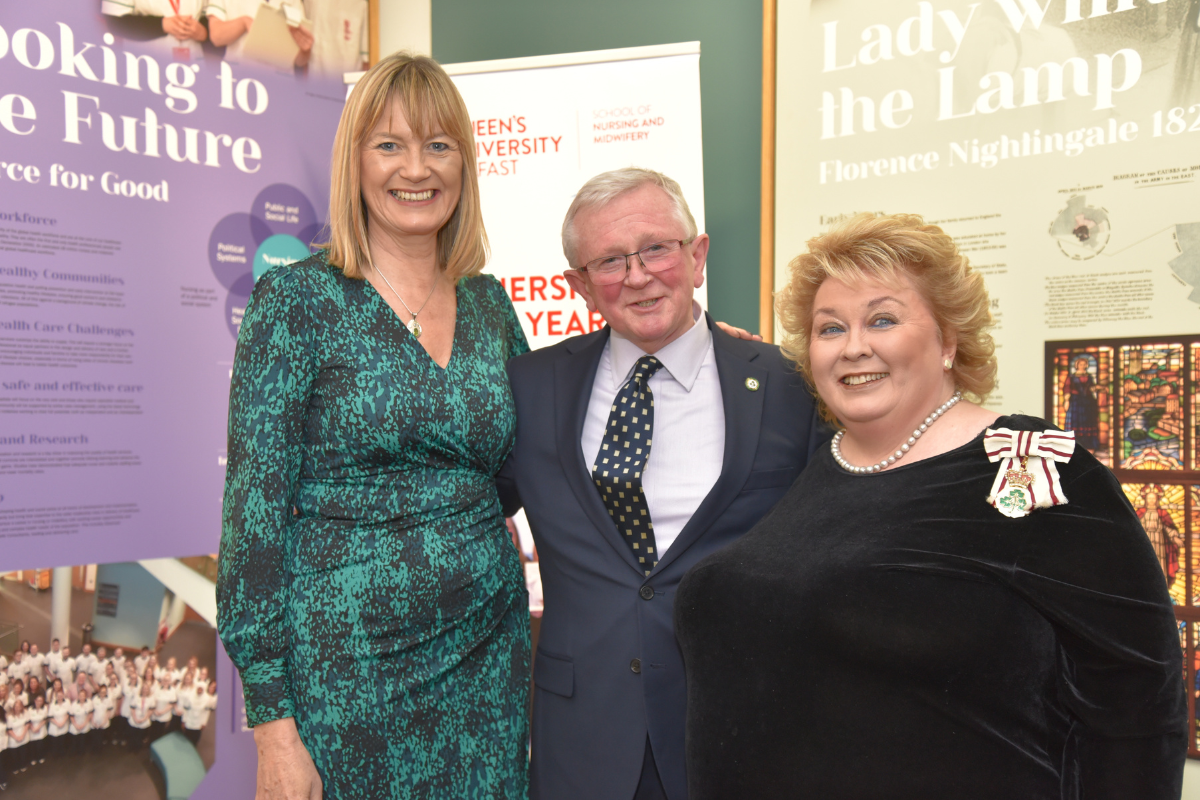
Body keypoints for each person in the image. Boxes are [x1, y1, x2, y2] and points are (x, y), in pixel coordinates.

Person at [674, 212, 1188, 799]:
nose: (854, 347)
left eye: (883, 320)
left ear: (948, 341)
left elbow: (1136, 699)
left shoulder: (1027, 465)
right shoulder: (816, 466)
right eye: (830, 329)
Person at [217, 52, 532, 800]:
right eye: (388, 144)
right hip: (347, 676)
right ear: (355, 162)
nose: (415, 168)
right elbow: (253, 521)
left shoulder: (491, 306)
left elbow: (533, 463)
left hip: (487, 659)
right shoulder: (296, 304)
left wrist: (693, 346)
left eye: (438, 144)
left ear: (465, 162)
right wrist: (273, 727)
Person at [496, 167, 825, 800]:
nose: (639, 275)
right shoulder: (530, 388)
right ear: (581, 286)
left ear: (697, 256)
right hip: (582, 736)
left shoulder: (791, 386)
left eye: (656, 249)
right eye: (610, 261)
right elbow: (462, 508)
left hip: (739, 729)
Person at [27, 694, 47, 766]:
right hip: (32, 729)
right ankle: (33, 758)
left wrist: (38, 727)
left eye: (41, 701)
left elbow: (44, 719)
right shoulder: (30, 709)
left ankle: (40, 757)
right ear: (35, 701)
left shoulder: (44, 708)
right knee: (33, 746)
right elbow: (28, 721)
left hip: (41, 729)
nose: (39, 702)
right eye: (37, 700)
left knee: (40, 745)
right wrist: (33, 728)